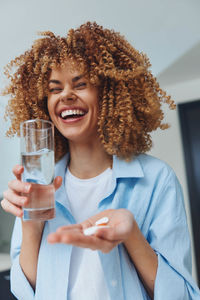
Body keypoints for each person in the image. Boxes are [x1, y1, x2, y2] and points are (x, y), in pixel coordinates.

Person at [1, 22, 200, 300]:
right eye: (54, 89)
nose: (66, 95)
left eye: (81, 84)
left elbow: (181, 296)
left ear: (110, 93)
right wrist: (31, 229)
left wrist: (131, 235)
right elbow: (26, 291)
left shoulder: (156, 179)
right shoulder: (38, 186)